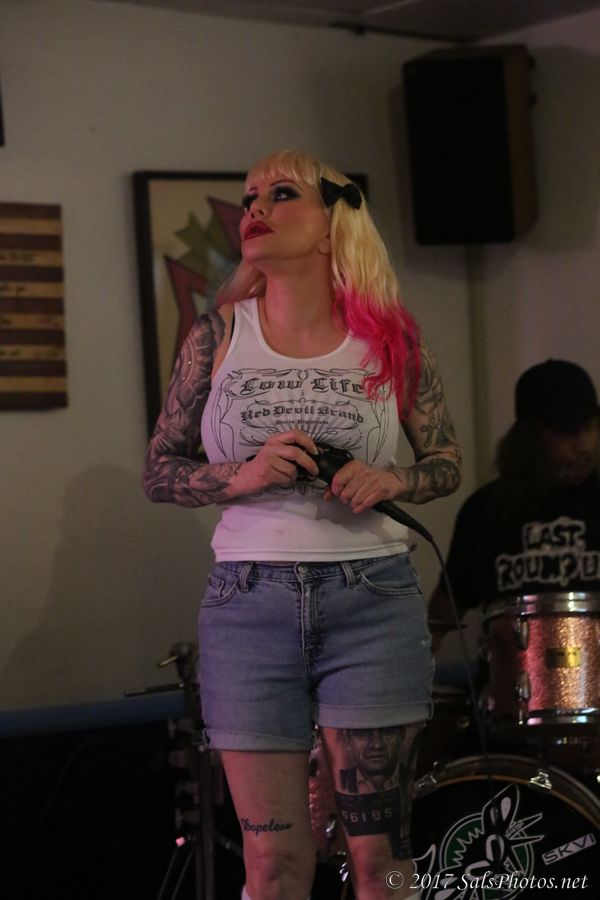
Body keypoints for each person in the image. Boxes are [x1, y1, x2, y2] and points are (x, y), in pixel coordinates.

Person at [142, 150, 461, 900]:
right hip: (249, 603)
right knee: (274, 867)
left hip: (371, 598)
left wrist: (393, 478)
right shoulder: (217, 335)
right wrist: (244, 475)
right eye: (250, 195)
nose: (256, 207)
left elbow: (446, 461)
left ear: (331, 225)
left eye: (282, 194)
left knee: (381, 864)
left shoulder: (392, 338)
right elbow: (159, 470)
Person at [428, 358, 600, 651]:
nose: (584, 445)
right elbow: (441, 617)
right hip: (513, 677)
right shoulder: (485, 511)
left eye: (589, 428)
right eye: (566, 431)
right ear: (529, 438)